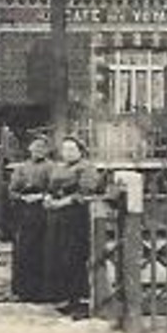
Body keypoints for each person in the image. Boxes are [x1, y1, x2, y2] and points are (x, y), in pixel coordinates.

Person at [44, 135, 104, 318]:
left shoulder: (87, 168)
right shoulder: (59, 167)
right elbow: (51, 187)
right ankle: (68, 299)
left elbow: (85, 193)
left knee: (76, 257)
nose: (67, 153)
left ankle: (82, 303)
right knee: (62, 257)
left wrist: (62, 203)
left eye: (72, 149)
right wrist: (48, 197)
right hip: (59, 218)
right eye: (65, 149)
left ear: (80, 151)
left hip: (78, 217)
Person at [8, 136, 54, 302]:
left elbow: (55, 189)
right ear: (29, 150)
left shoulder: (51, 167)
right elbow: (12, 190)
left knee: (43, 250)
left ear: (47, 151)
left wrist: (41, 196)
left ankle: (42, 291)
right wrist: (22, 198)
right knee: (24, 250)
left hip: (44, 212)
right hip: (25, 212)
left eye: (41, 148)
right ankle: (23, 290)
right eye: (34, 148)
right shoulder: (22, 168)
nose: (37, 151)